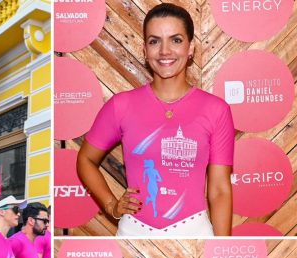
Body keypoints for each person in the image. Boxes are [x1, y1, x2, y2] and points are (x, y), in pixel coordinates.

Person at [76, 3, 233, 236]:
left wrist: (222, 249)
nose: (165, 51)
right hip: (133, 231)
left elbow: (220, 189)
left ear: (191, 48)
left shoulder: (216, 109)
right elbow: (85, 159)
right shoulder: (121, 105)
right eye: (155, 41)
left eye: (176, 40)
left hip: (194, 231)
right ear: (145, 49)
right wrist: (111, 206)